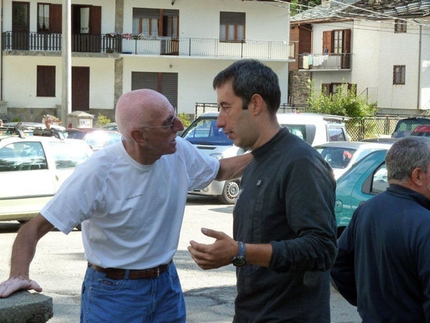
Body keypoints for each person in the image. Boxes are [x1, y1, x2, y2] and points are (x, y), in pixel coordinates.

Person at [0, 89, 252, 323]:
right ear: (139, 136)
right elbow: (32, 229)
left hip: (166, 285)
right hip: (113, 294)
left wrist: (273, 148)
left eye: (174, 116)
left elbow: (221, 170)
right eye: (167, 123)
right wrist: (18, 275)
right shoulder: (97, 173)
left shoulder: (179, 151)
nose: (179, 126)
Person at [187, 59, 337, 322]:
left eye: (226, 107)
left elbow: (322, 249)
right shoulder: (255, 161)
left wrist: (240, 251)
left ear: (255, 104)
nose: (220, 122)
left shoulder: (300, 162)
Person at [331, 136, 430, 322]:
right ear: (417, 175)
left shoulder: (366, 210)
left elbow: (337, 264)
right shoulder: (425, 222)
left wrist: (367, 304)